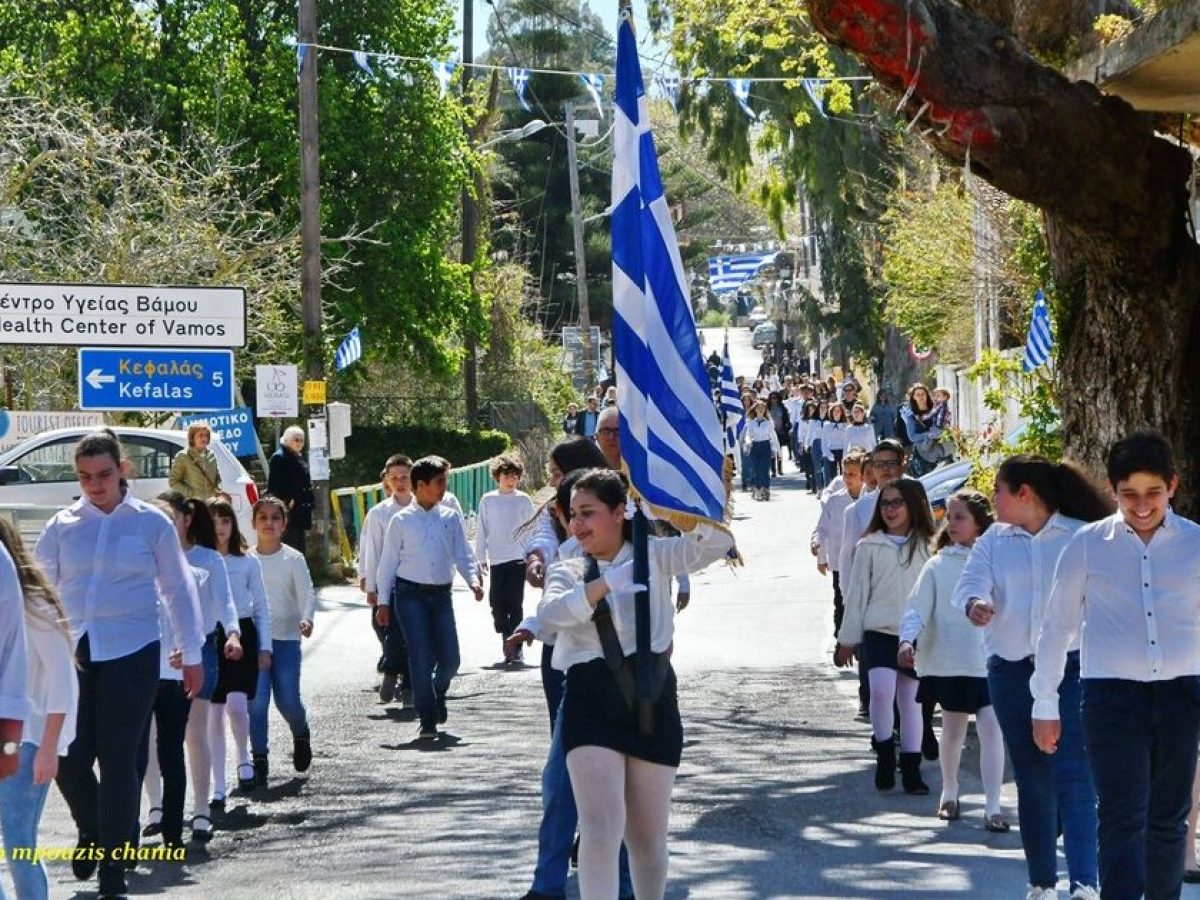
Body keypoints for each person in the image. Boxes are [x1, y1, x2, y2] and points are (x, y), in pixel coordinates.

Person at [538, 469, 734, 899]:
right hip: (590, 698)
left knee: (647, 837)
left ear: (619, 512)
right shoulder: (568, 566)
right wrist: (603, 585)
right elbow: (549, 618)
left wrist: (674, 508)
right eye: (573, 514)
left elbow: (717, 544)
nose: (577, 524)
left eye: (588, 512)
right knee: (601, 827)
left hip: (652, 695)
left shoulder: (656, 555)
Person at [1031, 430, 1200, 900]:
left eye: (1153, 493)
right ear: (1112, 490)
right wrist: (1045, 703)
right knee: (1121, 816)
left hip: (1181, 694)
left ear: (1172, 486)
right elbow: (1057, 626)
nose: (1142, 505)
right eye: (1129, 494)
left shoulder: (1195, 544)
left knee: (1169, 818)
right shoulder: (1088, 544)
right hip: (1111, 698)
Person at [37, 430, 204, 898]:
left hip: (133, 649)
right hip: (75, 650)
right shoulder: (61, 525)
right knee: (68, 757)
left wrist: (191, 654)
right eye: (85, 477)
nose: (95, 485)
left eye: (104, 475)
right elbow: (40, 593)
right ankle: (94, 829)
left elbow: (178, 589)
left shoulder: (151, 523)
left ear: (123, 469)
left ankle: (113, 868)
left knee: (119, 760)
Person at [953, 454, 1112, 900]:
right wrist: (975, 604)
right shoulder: (993, 540)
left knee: (1074, 772)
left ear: (1023, 494)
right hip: (1010, 671)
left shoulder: (1081, 536)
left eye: (998, 491)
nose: (993, 500)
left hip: (1073, 669)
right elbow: (969, 583)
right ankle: (1041, 883)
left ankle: (1085, 884)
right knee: (1032, 776)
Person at [898, 491, 1007, 830]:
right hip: (951, 660)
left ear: (979, 523)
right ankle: (950, 792)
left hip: (989, 661)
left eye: (960, 517)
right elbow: (916, 607)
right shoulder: (937, 565)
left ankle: (993, 806)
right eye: (950, 517)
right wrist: (906, 639)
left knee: (992, 730)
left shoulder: (996, 561)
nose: (952, 523)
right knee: (953, 730)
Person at [835, 477, 936, 794]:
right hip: (878, 631)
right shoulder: (869, 546)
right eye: (885, 504)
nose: (890, 510)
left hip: (915, 635)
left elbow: (937, 595)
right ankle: (884, 753)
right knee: (880, 692)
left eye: (897, 503)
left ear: (913, 506)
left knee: (910, 701)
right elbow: (857, 595)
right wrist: (847, 639)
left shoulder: (928, 546)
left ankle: (911, 767)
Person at [374, 456, 483, 739]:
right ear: (421, 485)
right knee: (420, 657)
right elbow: (387, 563)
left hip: (441, 595)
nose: (444, 487)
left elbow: (462, 553)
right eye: (439, 482)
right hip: (409, 595)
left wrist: (473, 580)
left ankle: (438, 690)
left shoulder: (450, 517)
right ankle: (427, 718)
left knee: (450, 660)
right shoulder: (401, 520)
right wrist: (383, 601)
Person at [156, 491, 243, 842]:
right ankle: (156, 808)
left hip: (201, 649)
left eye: (171, 518)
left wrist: (233, 634)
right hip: (157, 652)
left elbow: (225, 602)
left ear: (187, 518)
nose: (164, 526)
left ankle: (201, 809)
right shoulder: (145, 558)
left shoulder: (208, 559)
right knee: (153, 736)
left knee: (196, 732)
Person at [0, 517, 75, 899]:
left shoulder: (35, 606)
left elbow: (63, 682)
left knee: (19, 841)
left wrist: (50, 747)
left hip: (30, 739)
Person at [248, 496, 316, 787]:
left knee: (287, 700)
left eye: (275, 518)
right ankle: (259, 759)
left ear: (284, 524)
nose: (269, 523)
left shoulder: (293, 558)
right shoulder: (246, 559)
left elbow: (307, 592)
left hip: (286, 637)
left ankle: (301, 732)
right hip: (254, 642)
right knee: (256, 702)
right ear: (253, 523)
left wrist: (307, 618)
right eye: (262, 517)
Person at [208, 497, 272, 799]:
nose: (220, 527)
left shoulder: (247, 561)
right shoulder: (198, 559)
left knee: (236, 705)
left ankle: (243, 757)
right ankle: (217, 784)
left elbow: (261, 606)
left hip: (242, 634)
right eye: (213, 521)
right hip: (209, 636)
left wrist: (265, 647)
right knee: (213, 713)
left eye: (225, 521)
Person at [361, 455, 417, 705]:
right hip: (389, 585)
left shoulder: (424, 508)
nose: (400, 483)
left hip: (418, 582)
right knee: (392, 633)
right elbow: (371, 550)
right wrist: (370, 585)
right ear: (387, 481)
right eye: (394, 478)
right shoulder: (379, 514)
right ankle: (393, 668)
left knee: (415, 635)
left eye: (405, 477)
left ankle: (406, 682)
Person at [475, 453, 535, 665]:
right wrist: (480, 557)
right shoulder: (488, 500)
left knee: (515, 604)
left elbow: (532, 528)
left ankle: (514, 648)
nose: (510, 480)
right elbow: (482, 529)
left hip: (518, 558)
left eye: (514, 476)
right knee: (497, 604)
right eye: (506, 475)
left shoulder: (523, 499)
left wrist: (532, 555)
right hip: (497, 559)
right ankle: (506, 635)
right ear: (497, 476)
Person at [267, 425, 314, 552]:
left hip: (300, 513)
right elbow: (274, 486)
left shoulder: (297, 457)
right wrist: (287, 502)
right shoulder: (279, 458)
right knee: (290, 549)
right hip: (288, 514)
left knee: (299, 551)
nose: (299, 443)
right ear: (287, 440)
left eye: (302, 440)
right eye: (296, 440)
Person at [168, 423, 223, 500]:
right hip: (193, 503)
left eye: (206, 435)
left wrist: (217, 490)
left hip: (210, 502)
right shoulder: (183, 456)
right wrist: (191, 494)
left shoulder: (211, 455)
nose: (204, 438)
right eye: (200, 435)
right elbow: (173, 482)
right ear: (192, 438)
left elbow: (217, 478)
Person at [742, 400, 779, 502]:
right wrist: (748, 442)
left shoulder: (768, 423)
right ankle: (756, 489)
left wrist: (776, 449)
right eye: (758, 408)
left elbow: (773, 436)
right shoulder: (751, 423)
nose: (761, 410)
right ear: (755, 410)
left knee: (764, 469)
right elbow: (748, 435)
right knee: (755, 469)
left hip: (765, 445)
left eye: (763, 408)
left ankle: (765, 489)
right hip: (755, 446)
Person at [595, 406, 621, 471]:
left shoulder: (641, 471)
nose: (611, 437)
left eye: (617, 431)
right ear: (597, 437)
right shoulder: (587, 471)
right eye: (606, 431)